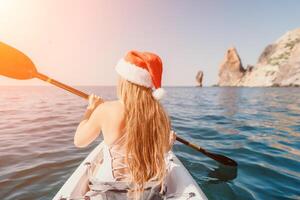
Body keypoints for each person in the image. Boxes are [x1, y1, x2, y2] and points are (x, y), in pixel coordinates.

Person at [74, 51, 176, 200]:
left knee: (97, 168)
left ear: (125, 81)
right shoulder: (161, 115)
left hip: (111, 192)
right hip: (149, 192)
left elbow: (79, 141)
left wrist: (90, 110)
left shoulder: (106, 109)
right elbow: (161, 151)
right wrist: (168, 144)